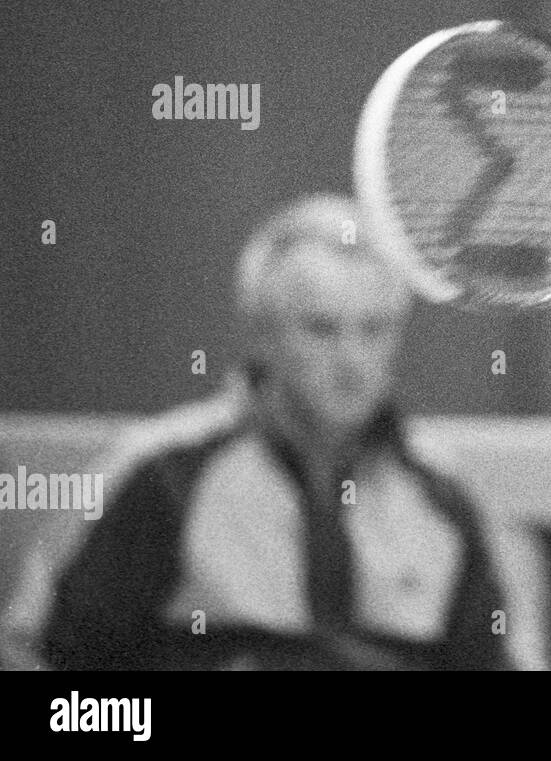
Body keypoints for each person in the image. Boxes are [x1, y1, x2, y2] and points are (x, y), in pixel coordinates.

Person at [31, 194, 515, 670]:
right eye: (321, 329)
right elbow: (48, 666)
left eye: (375, 329)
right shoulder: (163, 476)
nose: (352, 359)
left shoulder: (449, 494)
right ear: (259, 334)